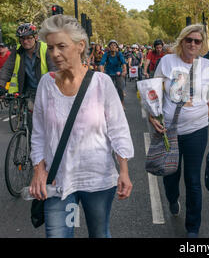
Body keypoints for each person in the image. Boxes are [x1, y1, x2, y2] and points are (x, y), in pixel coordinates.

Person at [29, 14, 133, 238]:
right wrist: (39, 171)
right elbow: (38, 133)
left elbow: (118, 129)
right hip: (58, 182)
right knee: (59, 235)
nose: (54, 54)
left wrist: (123, 171)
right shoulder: (46, 85)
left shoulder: (101, 83)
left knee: (98, 234)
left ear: (80, 46)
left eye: (61, 46)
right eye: (50, 47)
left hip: (96, 179)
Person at [149, 24, 209, 238]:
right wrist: (153, 116)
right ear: (182, 41)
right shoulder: (167, 61)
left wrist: (205, 115)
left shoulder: (207, 65)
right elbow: (153, 89)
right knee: (171, 173)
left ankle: (193, 228)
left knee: (192, 179)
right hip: (169, 129)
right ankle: (172, 198)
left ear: (202, 44)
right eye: (189, 40)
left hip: (197, 131)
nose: (192, 44)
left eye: (197, 41)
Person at [0, 23, 56, 100]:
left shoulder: (45, 49)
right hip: (25, 91)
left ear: (36, 37)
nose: (25, 41)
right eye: (22, 38)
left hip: (44, 90)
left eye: (29, 38)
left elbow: (53, 69)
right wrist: (1, 85)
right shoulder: (17, 50)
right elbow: (7, 69)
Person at [99, 40, 127, 107]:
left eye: (115, 45)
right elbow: (101, 64)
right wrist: (102, 72)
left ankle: (121, 103)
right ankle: (109, 104)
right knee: (108, 89)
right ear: (109, 47)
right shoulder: (106, 54)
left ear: (117, 47)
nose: (113, 47)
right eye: (111, 45)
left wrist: (124, 71)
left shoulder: (119, 54)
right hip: (108, 73)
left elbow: (123, 63)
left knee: (120, 88)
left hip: (118, 72)